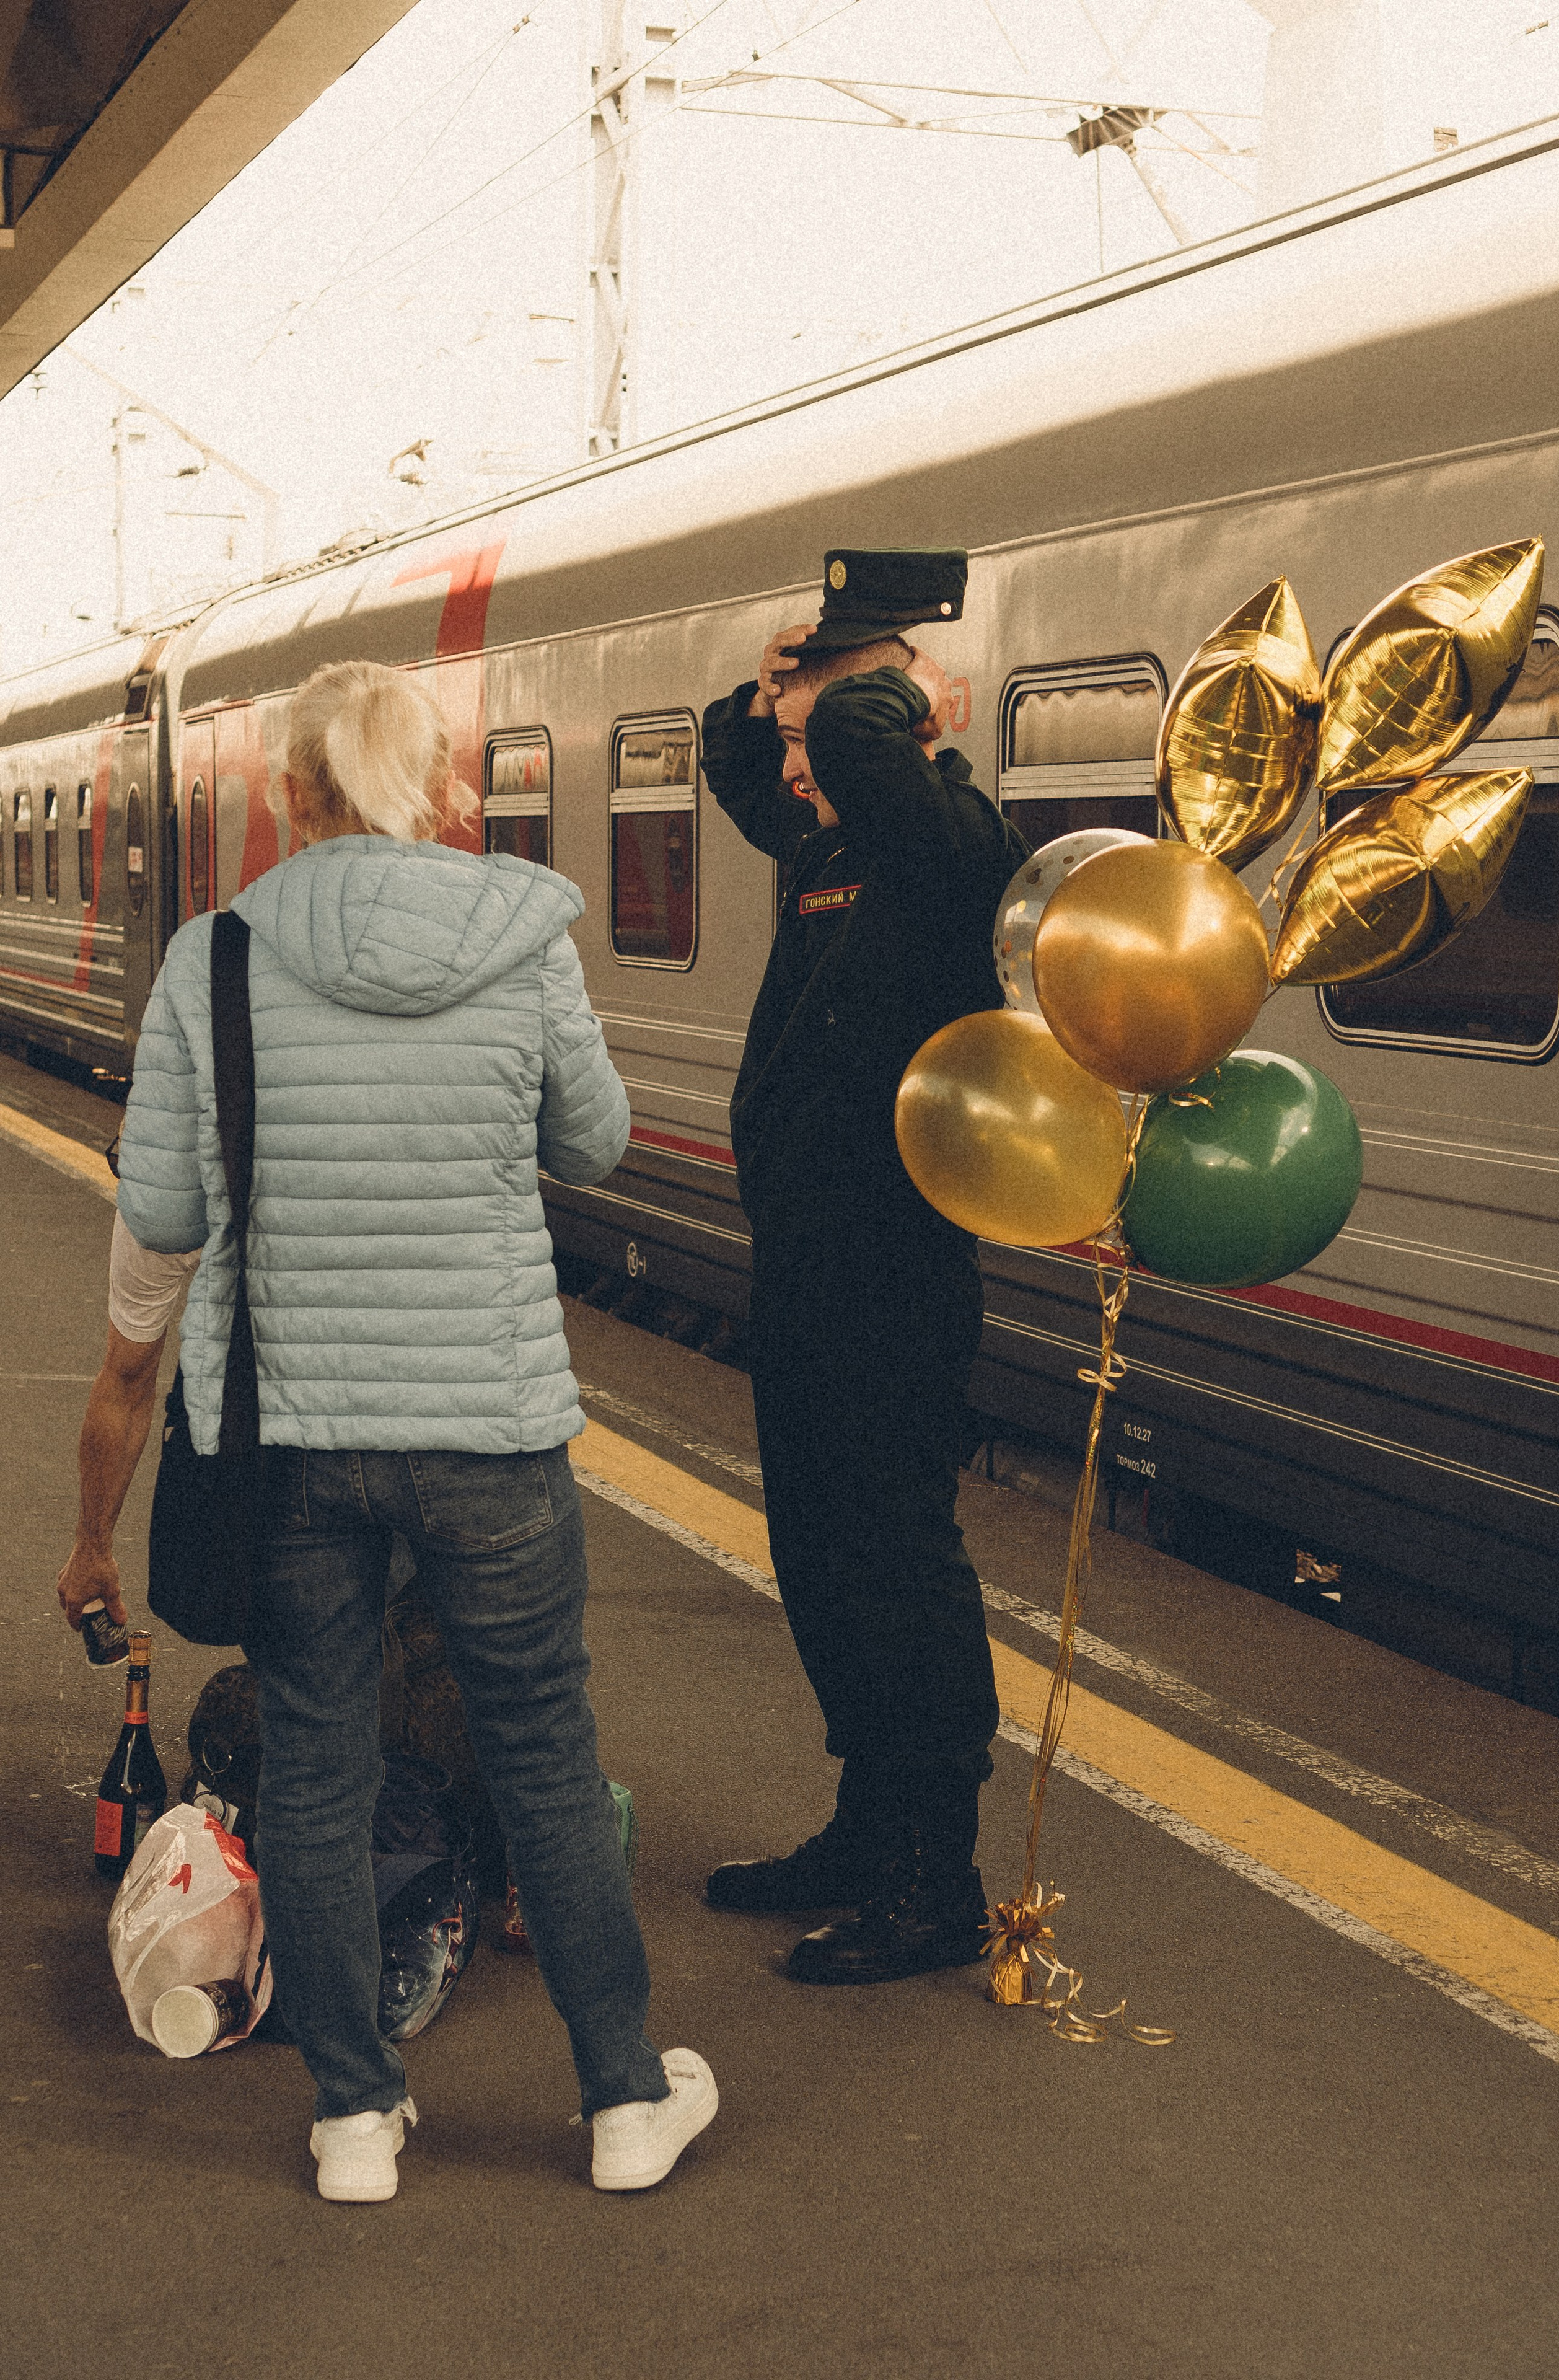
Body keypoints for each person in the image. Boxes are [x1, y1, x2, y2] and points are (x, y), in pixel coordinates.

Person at [56, 660, 716, 2201]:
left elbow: (156, 1212)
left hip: (293, 1436)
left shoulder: (211, 961)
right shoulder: (527, 933)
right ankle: (623, 2102)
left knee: (321, 1761)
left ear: (284, 793)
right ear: (438, 783)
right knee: (544, 1755)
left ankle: (355, 2116)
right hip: (487, 1425)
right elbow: (597, 1140)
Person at [699, 547, 1029, 1986]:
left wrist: (860, 687)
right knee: (822, 1563)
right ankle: (860, 1823)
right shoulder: (834, 850)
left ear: (899, 717)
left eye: (825, 724)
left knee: (894, 1569)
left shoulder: (948, 848)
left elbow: (855, 749)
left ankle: (930, 1877)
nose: (799, 749)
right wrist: (765, 688)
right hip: (809, 1270)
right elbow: (739, 768)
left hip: (894, 1275)